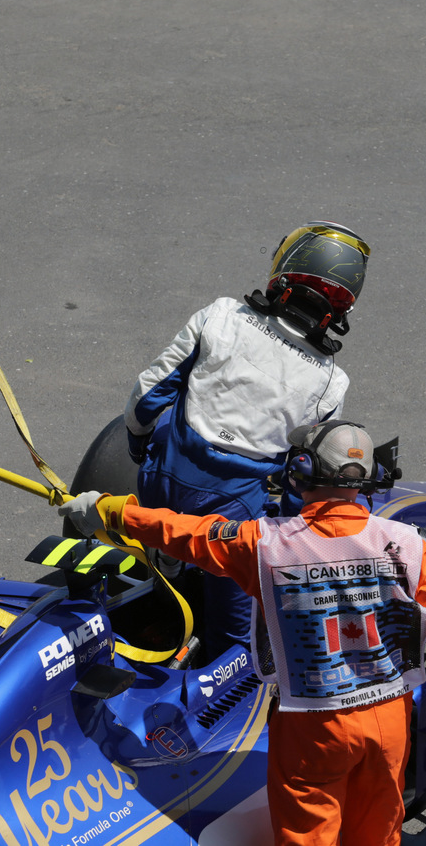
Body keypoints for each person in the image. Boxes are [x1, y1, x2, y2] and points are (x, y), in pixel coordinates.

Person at [60, 420, 426, 846]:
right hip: (389, 720)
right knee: (378, 835)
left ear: (300, 469)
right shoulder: (406, 543)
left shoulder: (265, 544)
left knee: (308, 835)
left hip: (313, 728)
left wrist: (110, 511)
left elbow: (181, 532)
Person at [123, 221, 369, 659]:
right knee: (236, 638)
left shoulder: (220, 315)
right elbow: (304, 478)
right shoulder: (331, 381)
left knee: (161, 444)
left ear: (284, 271)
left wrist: (138, 447)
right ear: (341, 308)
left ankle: (167, 561)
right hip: (231, 519)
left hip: (160, 481)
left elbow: (146, 397)